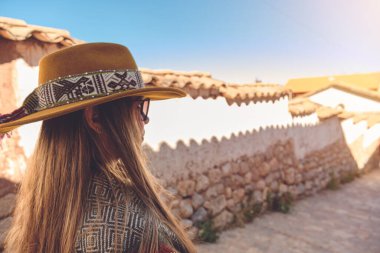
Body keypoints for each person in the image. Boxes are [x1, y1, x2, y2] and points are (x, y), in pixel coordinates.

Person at [0, 43, 196, 253]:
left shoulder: (41, 210)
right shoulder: (139, 228)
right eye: (139, 106)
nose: (144, 120)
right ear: (96, 117)